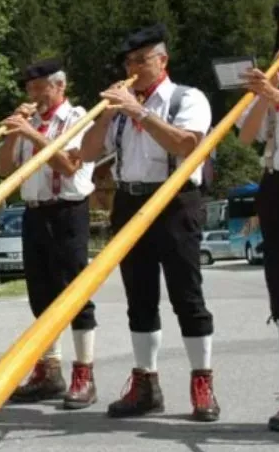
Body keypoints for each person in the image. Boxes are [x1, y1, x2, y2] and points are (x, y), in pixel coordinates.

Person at [79, 23, 217, 421]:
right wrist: (107, 115)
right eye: (129, 62)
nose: (134, 68)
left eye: (142, 60)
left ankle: (202, 381)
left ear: (163, 60)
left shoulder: (186, 98)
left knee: (187, 296)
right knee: (139, 297)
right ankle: (146, 383)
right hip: (129, 200)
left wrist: (139, 111)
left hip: (174, 200)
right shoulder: (120, 113)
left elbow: (187, 145)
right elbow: (88, 153)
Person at [0, 59, 98, 409]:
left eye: (40, 87)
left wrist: (31, 134)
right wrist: (13, 132)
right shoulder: (28, 123)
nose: (34, 94)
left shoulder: (77, 118)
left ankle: (84, 372)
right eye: (30, 88)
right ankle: (49, 369)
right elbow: (2, 168)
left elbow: (70, 166)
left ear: (59, 87)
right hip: (34, 212)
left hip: (68, 211)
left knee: (76, 293)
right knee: (41, 296)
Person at [236, 1, 279, 431]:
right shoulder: (278, 79)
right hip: (276, 185)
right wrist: (262, 95)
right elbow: (247, 135)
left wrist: (276, 95)